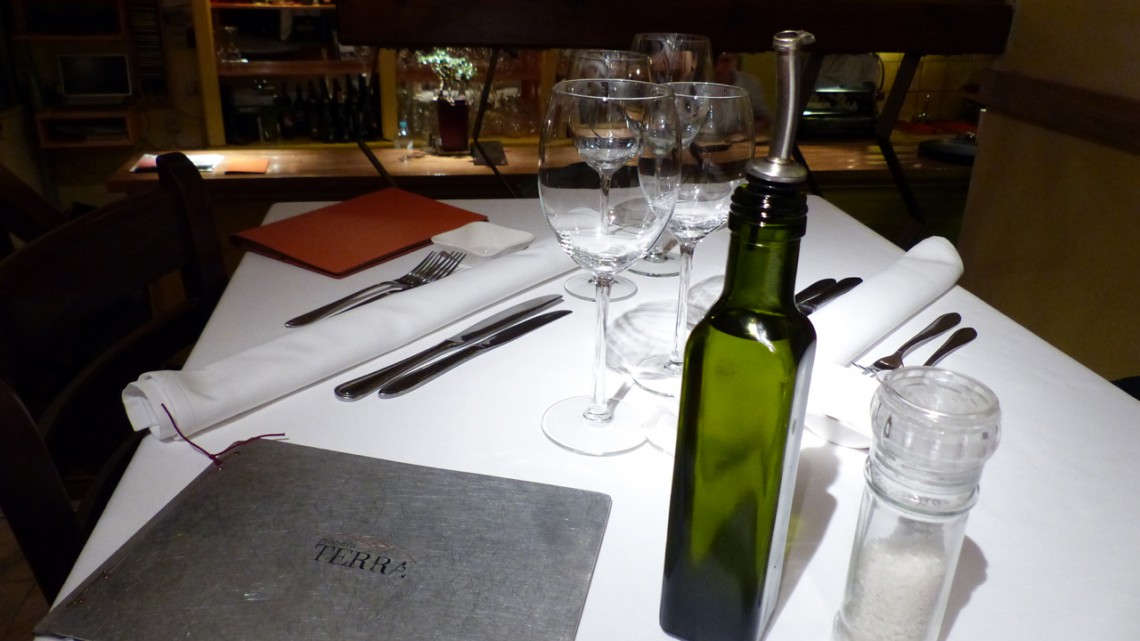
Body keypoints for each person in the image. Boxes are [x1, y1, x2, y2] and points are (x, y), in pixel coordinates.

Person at [713, 52, 771, 134]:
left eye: (725, 61)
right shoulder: (697, 85)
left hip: (739, 141)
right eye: (714, 61)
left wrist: (743, 132)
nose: (719, 67)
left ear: (735, 59)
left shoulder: (749, 83)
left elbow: (764, 119)